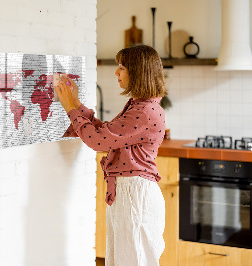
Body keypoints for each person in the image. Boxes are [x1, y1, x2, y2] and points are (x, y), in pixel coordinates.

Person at [55, 44, 167, 266]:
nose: (116, 72)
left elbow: (98, 141)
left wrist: (70, 108)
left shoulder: (144, 111)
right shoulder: (140, 106)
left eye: (122, 67)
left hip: (135, 195)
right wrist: (76, 104)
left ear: (138, 72)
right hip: (130, 193)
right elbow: (106, 133)